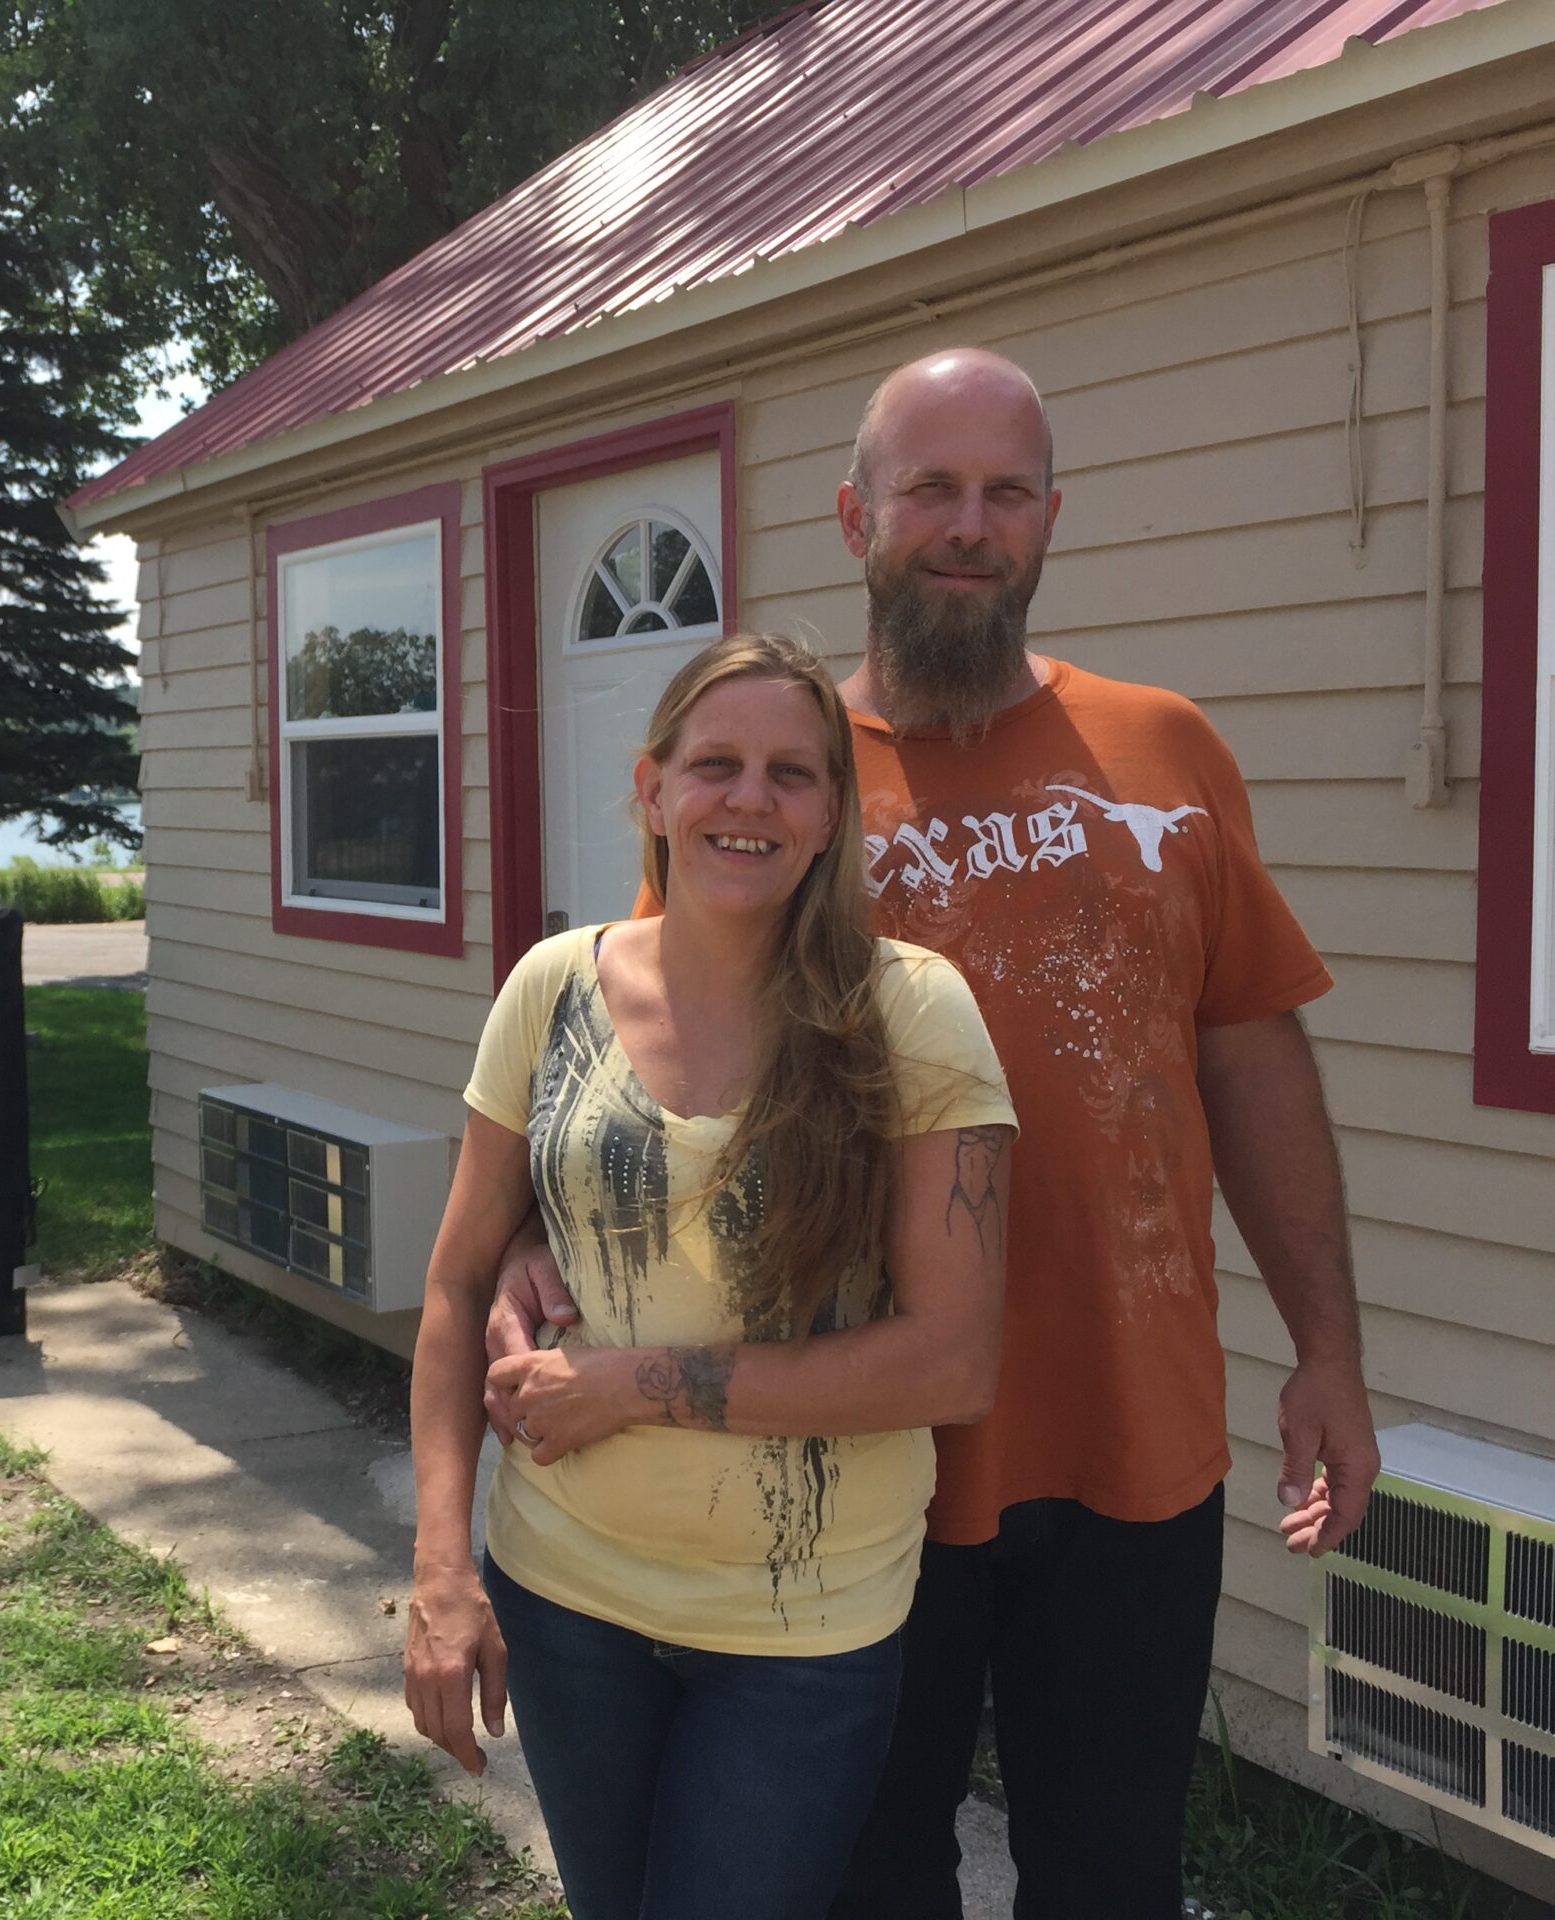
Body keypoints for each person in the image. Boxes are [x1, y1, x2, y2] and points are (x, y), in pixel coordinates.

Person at [484, 349, 1380, 1918]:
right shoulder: (774, 781)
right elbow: (633, 1056)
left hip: (1127, 1434)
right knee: (867, 1883)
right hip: (844, 1455)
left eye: (1006, 493)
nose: (970, 526)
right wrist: (515, 1237)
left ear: (1049, 521)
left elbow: (1252, 1057)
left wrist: (1331, 1351)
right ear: (856, 517)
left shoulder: (1166, 752)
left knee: (1110, 1878)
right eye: (931, 491)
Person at [403, 630, 1020, 1920]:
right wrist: (443, 1572)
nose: (751, 799)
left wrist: (633, 1383)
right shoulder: (552, 989)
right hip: (563, 1591)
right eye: (715, 764)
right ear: (651, 790)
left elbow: (952, 1363)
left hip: (804, 1628)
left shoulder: (909, 1013)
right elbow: (457, 1286)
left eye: (793, 773)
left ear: (833, 814)